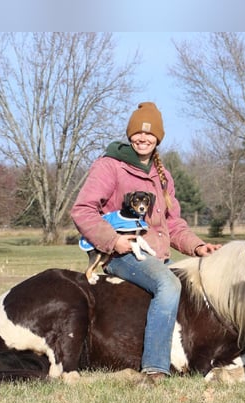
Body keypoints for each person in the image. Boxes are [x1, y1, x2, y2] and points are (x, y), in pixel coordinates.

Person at [70, 102, 220, 385]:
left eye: (150, 134)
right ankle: (154, 370)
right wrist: (114, 241)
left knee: (200, 287)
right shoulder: (110, 166)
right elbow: (82, 210)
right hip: (123, 255)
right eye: (137, 132)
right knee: (169, 284)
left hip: (158, 257)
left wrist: (199, 247)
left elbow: (172, 224)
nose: (143, 138)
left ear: (158, 138)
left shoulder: (162, 176)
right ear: (130, 135)